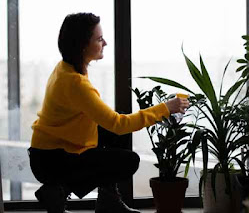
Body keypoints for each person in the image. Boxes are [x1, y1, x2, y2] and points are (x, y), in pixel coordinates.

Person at [28, 12, 189, 213]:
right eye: (99, 39)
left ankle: (107, 201)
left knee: (114, 133)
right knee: (129, 161)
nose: (105, 43)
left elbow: (110, 123)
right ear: (82, 45)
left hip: (48, 152)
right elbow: (119, 124)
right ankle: (57, 191)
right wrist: (166, 108)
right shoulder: (75, 83)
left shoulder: (65, 68)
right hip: (53, 160)